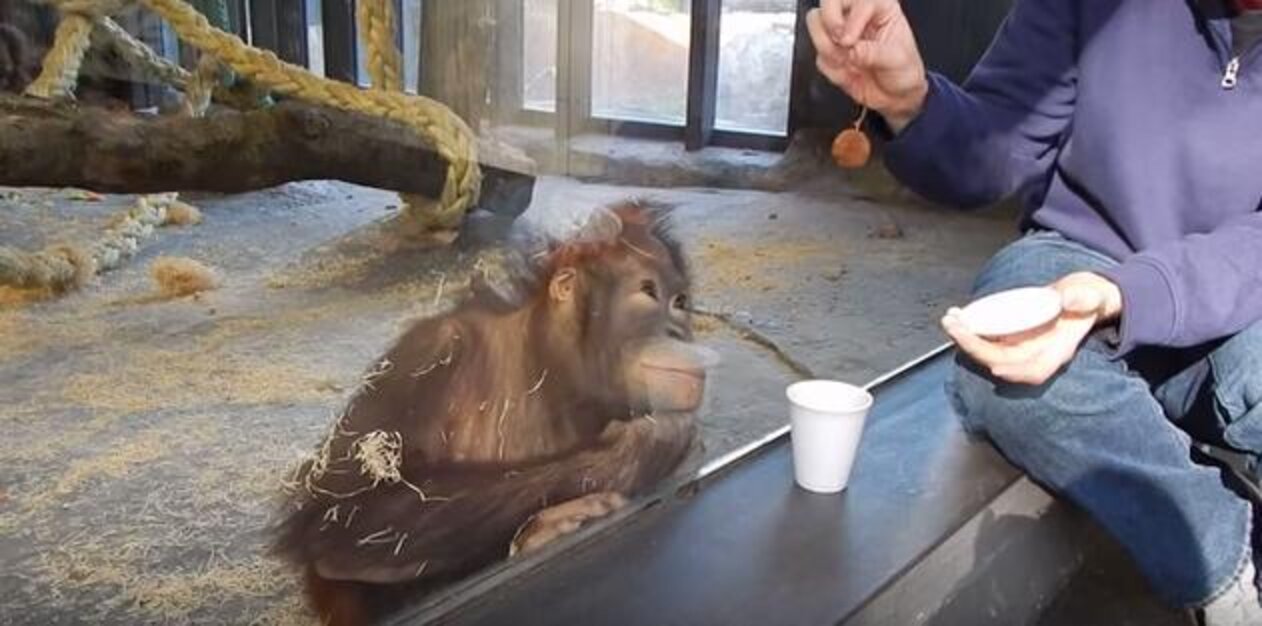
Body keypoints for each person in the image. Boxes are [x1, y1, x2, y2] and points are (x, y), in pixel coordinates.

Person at [805, 0, 1262, 624]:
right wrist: (910, 101)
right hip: (1078, 256)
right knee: (1004, 370)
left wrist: (1133, 293)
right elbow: (997, 150)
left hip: (1238, 292)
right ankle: (1228, 566)